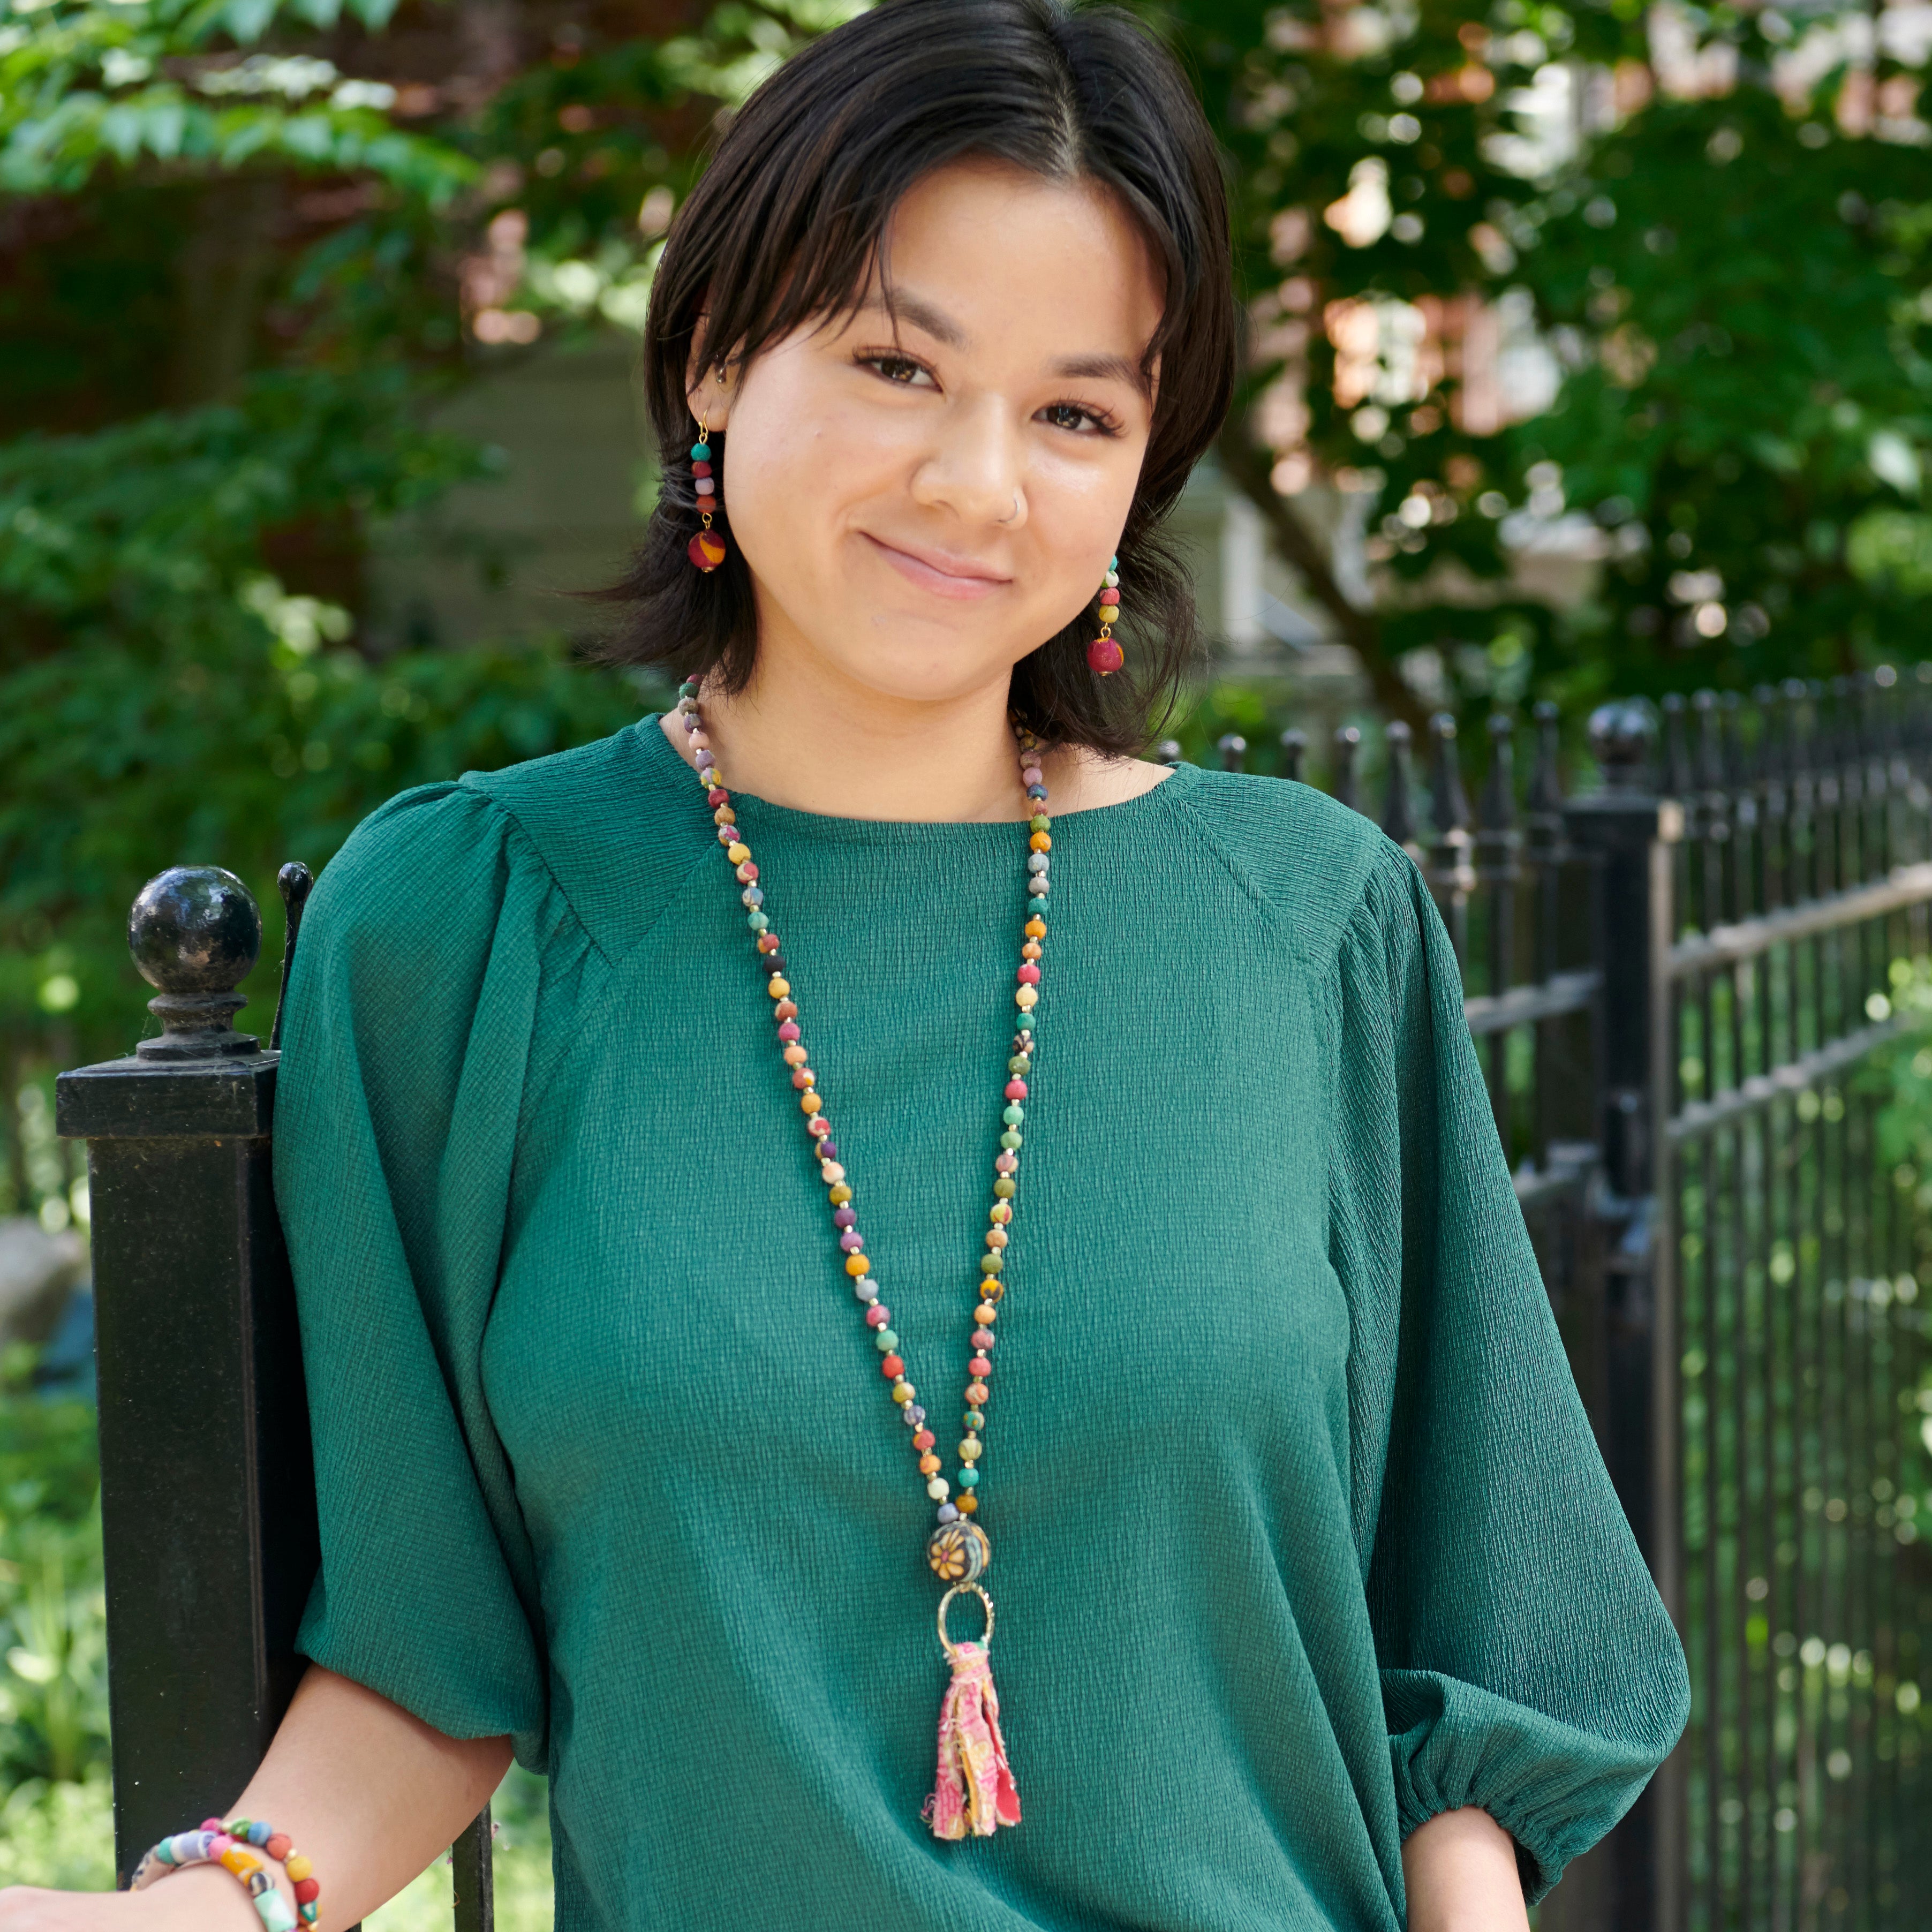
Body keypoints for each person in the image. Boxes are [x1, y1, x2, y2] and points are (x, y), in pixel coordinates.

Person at [0, 2, 1687, 1927]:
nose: (982, 483)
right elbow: (424, 1644)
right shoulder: (468, 923)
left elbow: (1463, 1637)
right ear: (718, 355)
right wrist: (206, 1906)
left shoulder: (1305, 921)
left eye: (1079, 412)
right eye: (899, 362)